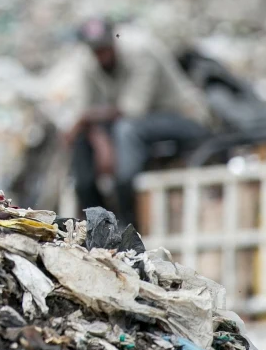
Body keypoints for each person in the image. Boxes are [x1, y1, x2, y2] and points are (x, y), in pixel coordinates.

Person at [66, 18, 214, 227]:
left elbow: (132, 110)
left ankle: (128, 213)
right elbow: (82, 113)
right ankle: (95, 223)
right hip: (130, 123)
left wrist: (90, 123)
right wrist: (98, 139)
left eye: (105, 48)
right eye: (96, 51)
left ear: (113, 41)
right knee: (82, 140)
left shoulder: (141, 51)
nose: (102, 56)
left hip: (180, 119)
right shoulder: (87, 62)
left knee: (126, 130)